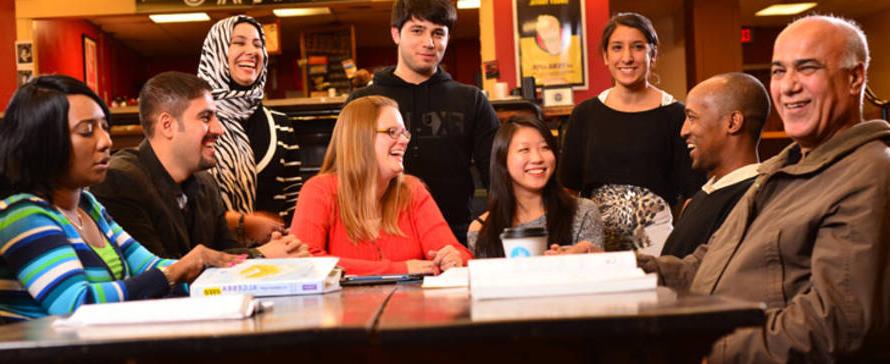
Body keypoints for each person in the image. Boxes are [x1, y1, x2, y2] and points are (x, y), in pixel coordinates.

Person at [638, 16, 890, 362]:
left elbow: (838, 324)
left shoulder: (869, 174)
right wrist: (605, 270)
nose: (788, 86)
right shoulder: (782, 170)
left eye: (807, 68)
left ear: (855, 77)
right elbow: (703, 266)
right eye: (778, 71)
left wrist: (710, 350)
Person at [0, 75, 243, 323]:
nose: (106, 141)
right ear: (43, 142)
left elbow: (151, 266)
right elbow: (77, 305)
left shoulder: (88, 206)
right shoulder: (22, 215)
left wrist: (221, 280)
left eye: (104, 127)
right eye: (87, 131)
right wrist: (175, 273)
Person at [92, 72, 308, 260]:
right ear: (168, 125)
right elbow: (162, 274)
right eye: (206, 118)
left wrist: (277, 253)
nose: (219, 129)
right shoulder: (119, 181)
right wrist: (263, 255)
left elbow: (226, 254)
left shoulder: (206, 183)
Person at [348, 0, 500, 245]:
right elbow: (345, 175)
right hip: (378, 237)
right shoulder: (363, 101)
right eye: (417, 30)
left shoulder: (471, 100)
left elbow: (498, 173)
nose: (429, 43)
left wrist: (489, 221)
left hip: (455, 236)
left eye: (438, 33)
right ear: (396, 33)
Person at [559, 12, 704, 255]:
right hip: (592, 247)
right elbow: (568, 191)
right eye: (617, 48)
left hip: (658, 248)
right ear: (606, 56)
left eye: (637, 47)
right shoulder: (584, 114)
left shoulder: (677, 115)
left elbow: (693, 194)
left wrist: (682, 251)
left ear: (653, 54)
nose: (627, 57)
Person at [290, 96, 472, 275]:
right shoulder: (319, 190)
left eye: (404, 133)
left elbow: (458, 254)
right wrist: (400, 269)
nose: (404, 141)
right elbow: (306, 264)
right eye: (392, 132)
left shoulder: (412, 190)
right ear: (359, 138)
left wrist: (454, 258)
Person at [197, 15, 302, 245]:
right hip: (214, 263)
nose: (252, 51)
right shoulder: (195, 125)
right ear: (217, 50)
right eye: (238, 42)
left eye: (258, 44)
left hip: (279, 262)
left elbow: (295, 204)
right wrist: (248, 224)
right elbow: (187, 209)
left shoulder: (281, 124)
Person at [660, 72, 769, 258]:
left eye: (692, 118)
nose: (683, 131)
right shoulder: (702, 198)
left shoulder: (752, 202)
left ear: (733, 122)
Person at [468, 115, 604, 258]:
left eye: (545, 147)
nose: (537, 158)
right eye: (524, 150)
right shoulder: (480, 229)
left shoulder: (582, 212)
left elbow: (602, 275)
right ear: (502, 159)